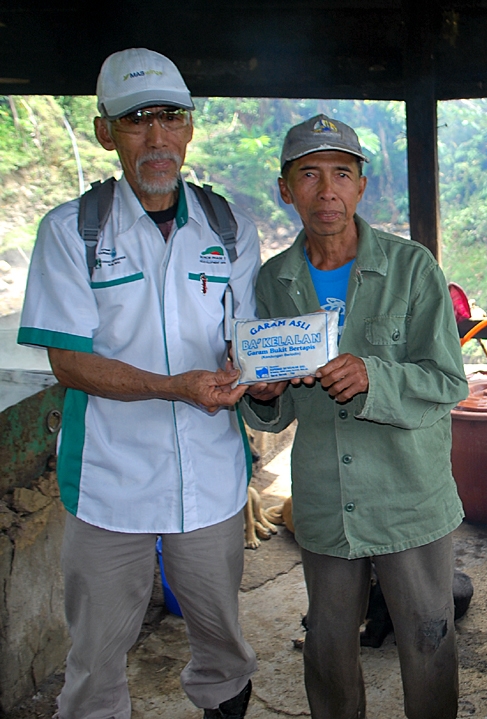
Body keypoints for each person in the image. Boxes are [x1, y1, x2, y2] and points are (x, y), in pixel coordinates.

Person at [17, 48, 260, 719]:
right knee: (95, 659)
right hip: (108, 481)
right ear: (105, 132)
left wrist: (262, 374)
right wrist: (177, 387)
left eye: (171, 118)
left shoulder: (228, 225)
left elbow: (244, 338)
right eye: (135, 121)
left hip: (209, 476)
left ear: (189, 127)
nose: (157, 137)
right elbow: (68, 363)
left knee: (224, 643)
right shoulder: (73, 231)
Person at [241, 114, 468, 719]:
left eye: (341, 174)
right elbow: (275, 405)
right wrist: (262, 396)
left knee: (427, 637)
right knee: (329, 645)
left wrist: (375, 375)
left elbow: (448, 383)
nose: (327, 190)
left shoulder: (413, 268)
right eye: (309, 175)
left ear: (361, 186)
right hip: (325, 496)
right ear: (285, 190)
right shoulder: (275, 281)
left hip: (408, 494)